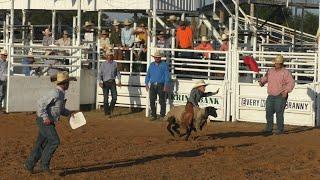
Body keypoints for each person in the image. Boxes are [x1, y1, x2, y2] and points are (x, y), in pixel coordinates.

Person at [24, 71, 76, 174]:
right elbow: (40, 104)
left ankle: (29, 165)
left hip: (47, 121)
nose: (69, 84)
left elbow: (59, 110)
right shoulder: (56, 93)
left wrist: (69, 113)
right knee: (54, 141)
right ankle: (44, 165)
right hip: (45, 121)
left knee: (41, 144)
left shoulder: (60, 93)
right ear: (65, 83)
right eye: (68, 82)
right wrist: (45, 117)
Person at [259, 55, 295, 135]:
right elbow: (265, 78)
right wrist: (262, 82)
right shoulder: (270, 71)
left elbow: (291, 83)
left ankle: (280, 129)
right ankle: (269, 128)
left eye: (278, 63)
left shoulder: (286, 72)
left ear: (281, 64)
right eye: (276, 63)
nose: (276, 64)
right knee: (268, 112)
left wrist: (286, 91)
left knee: (279, 113)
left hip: (280, 95)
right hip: (271, 95)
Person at [145, 51, 170, 120]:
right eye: (156, 57)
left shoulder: (164, 65)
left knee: (161, 100)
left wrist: (166, 85)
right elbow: (148, 75)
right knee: (152, 100)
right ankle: (153, 114)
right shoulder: (151, 65)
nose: (157, 58)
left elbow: (167, 76)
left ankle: (162, 115)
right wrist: (146, 83)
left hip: (161, 84)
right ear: (154, 58)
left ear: (160, 58)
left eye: (158, 57)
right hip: (153, 84)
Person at [98, 49, 122, 118]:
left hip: (112, 81)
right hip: (105, 82)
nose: (109, 56)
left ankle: (110, 110)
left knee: (114, 97)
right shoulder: (103, 64)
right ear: (106, 56)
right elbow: (100, 74)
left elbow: (117, 72)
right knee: (106, 98)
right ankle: (107, 113)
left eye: (110, 55)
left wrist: (119, 80)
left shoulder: (115, 63)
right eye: (108, 55)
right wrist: (100, 82)